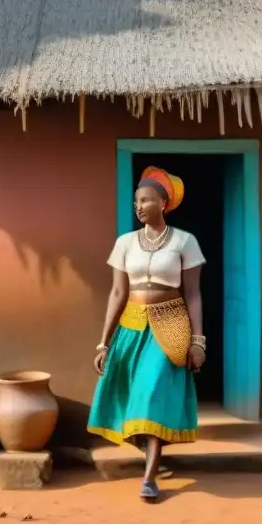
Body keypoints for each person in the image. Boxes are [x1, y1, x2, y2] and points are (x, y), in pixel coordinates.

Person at [87, 166, 206, 502]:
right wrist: (104, 342)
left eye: (146, 200)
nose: (138, 206)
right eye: (136, 201)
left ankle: (149, 478)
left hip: (170, 322)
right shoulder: (125, 243)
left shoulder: (185, 241)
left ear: (163, 203)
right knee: (131, 394)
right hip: (132, 325)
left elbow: (193, 294)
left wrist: (198, 341)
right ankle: (152, 452)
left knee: (153, 393)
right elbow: (116, 294)